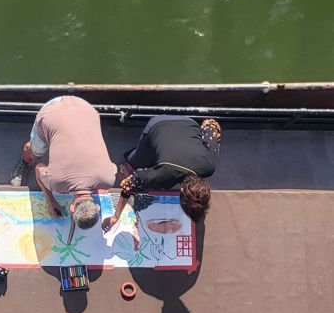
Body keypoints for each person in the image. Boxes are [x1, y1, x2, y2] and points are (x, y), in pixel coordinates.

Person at [102, 116, 220, 245]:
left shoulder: (209, 165)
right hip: (158, 124)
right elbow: (128, 185)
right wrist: (116, 216)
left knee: (154, 161)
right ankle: (131, 160)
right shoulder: (163, 176)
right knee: (135, 164)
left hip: (188, 122)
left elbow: (211, 124)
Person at [15, 96, 116, 227]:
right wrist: (50, 200)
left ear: (97, 206)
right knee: (35, 154)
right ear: (72, 208)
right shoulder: (56, 184)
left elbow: (113, 167)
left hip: (86, 107)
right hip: (52, 111)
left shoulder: (109, 179)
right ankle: (25, 159)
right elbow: (38, 168)